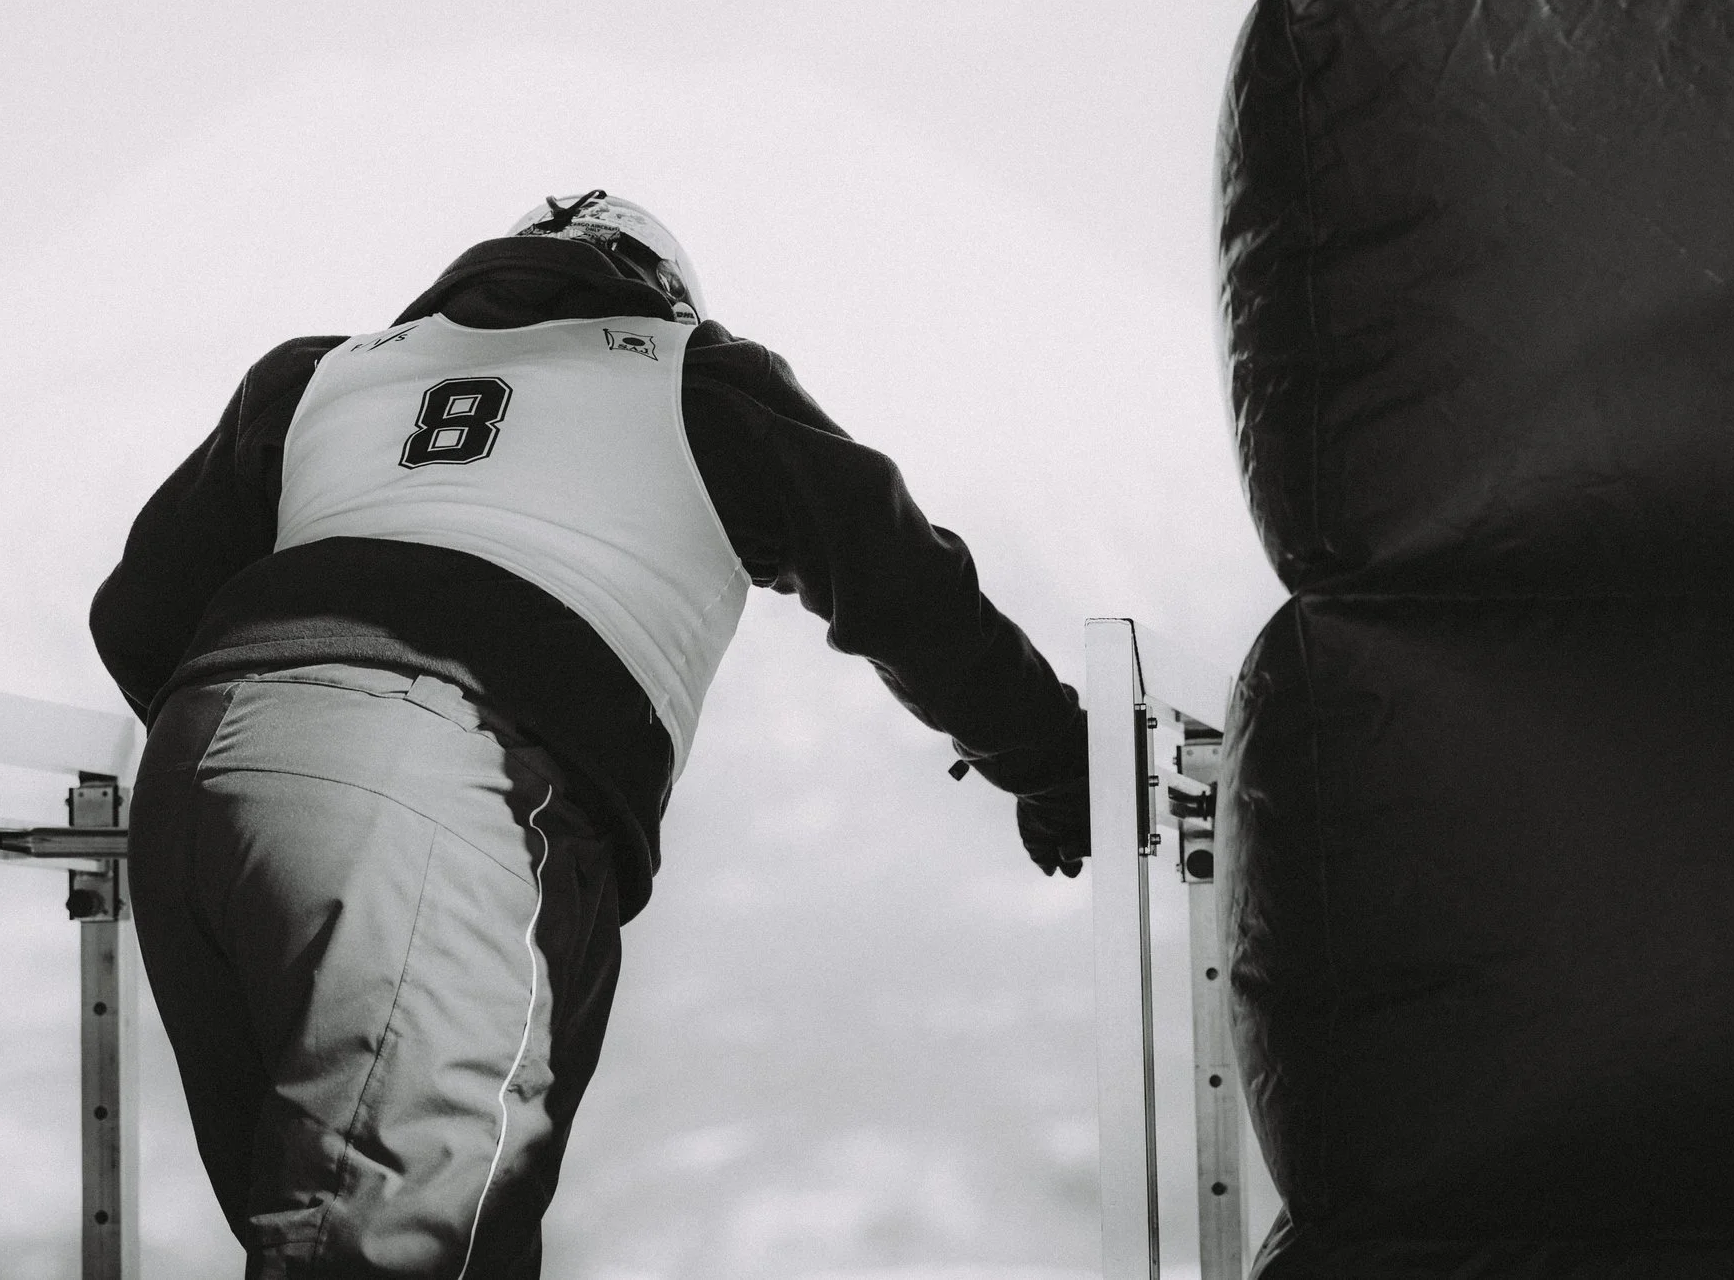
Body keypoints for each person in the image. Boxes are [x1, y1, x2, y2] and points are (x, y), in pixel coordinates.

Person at [90, 191, 1090, 1279]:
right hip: (440, 783)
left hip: (196, 782)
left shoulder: (316, 377)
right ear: (661, 293)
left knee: (314, 1235)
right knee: (408, 1246)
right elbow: (900, 584)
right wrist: (1054, 763)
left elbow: (137, 615)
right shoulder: (691, 373)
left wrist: (288, 749)